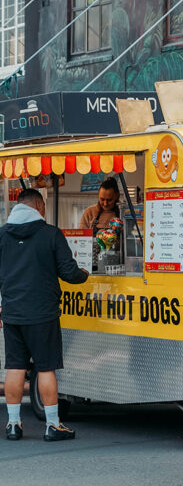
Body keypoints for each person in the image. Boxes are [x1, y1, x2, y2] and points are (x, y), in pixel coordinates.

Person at [0, 188, 89, 441]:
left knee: (15, 367)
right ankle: (52, 425)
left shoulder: (2, 236)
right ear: (39, 206)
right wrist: (84, 274)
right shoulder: (50, 234)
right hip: (43, 313)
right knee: (46, 368)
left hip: (13, 312)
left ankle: (14, 425)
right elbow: (69, 273)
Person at [79, 177, 122, 268]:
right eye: (102, 199)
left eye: (109, 200)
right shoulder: (90, 212)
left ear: (117, 196)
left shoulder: (122, 213)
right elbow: (81, 239)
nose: (105, 203)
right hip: (92, 264)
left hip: (116, 265)